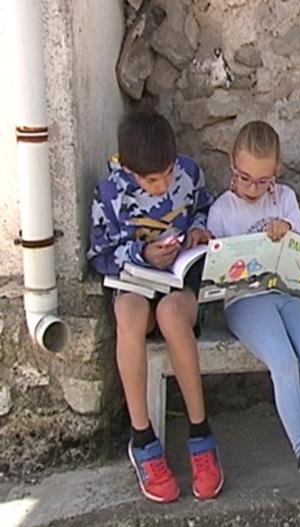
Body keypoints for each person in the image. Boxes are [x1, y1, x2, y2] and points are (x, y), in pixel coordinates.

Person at [87, 109, 222, 503]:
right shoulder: (109, 194)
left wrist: (198, 229)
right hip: (136, 285)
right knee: (128, 312)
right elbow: (99, 254)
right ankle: (143, 439)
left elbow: (204, 208)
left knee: (170, 314)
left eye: (167, 173)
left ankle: (201, 434)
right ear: (129, 171)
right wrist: (143, 252)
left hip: (180, 289)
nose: (163, 185)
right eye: (151, 180)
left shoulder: (189, 173)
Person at [206, 121, 300, 492]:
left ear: (276, 173)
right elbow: (216, 274)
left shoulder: (283, 198)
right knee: (283, 362)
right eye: (245, 178)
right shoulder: (222, 209)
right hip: (245, 302)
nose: (253, 188)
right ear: (232, 168)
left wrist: (288, 232)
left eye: (263, 180)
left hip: (288, 293)